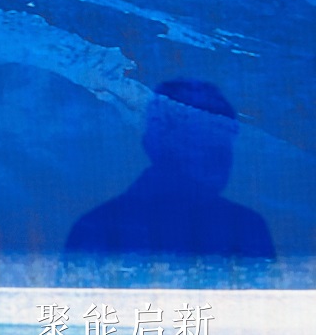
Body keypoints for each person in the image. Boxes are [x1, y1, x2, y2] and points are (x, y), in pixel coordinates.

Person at [64, 79, 276, 259]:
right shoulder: (99, 229)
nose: (221, 159)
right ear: (155, 144)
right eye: (203, 145)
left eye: (223, 144)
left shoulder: (245, 228)